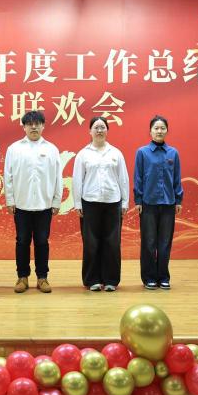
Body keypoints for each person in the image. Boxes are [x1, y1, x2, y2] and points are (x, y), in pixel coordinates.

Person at [4, 111, 62, 294]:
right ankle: (22, 277)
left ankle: (42, 277)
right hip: (21, 204)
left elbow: (58, 177)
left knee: (42, 241)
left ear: (43, 126)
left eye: (37, 123)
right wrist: (10, 200)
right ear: (24, 127)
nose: (34, 127)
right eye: (30, 124)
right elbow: (8, 176)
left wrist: (56, 201)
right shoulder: (14, 148)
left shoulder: (51, 149)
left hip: (45, 205)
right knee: (22, 241)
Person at [72, 116, 129, 292]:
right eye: (96, 127)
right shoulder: (83, 154)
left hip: (113, 202)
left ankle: (111, 280)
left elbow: (123, 178)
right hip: (90, 202)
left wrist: (125, 201)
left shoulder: (116, 153)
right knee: (91, 242)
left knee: (112, 242)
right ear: (90, 131)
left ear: (107, 131)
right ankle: (92, 280)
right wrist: (78, 203)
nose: (99, 130)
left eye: (102, 127)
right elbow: (77, 179)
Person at [133, 115, 183, 290]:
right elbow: (138, 178)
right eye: (156, 128)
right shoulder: (142, 152)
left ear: (167, 131)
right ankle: (149, 277)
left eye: (162, 128)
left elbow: (176, 178)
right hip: (148, 203)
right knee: (149, 242)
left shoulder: (173, 153)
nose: (159, 131)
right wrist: (138, 199)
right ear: (150, 131)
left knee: (165, 242)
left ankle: (163, 277)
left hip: (168, 203)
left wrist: (178, 199)